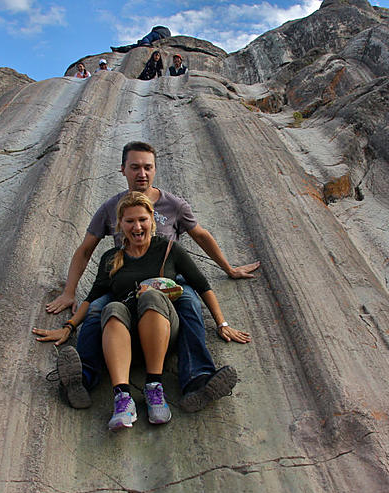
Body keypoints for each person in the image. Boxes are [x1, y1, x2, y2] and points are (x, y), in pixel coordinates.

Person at [35, 141, 259, 414]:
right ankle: (82, 378)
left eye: (147, 167)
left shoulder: (173, 205)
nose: (142, 173)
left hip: (169, 283)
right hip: (122, 281)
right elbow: (85, 250)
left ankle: (198, 379)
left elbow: (200, 237)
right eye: (135, 167)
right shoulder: (111, 208)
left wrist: (229, 269)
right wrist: (70, 293)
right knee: (96, 309)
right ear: (123, 170)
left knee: (189, 301)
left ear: (154, 170)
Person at [62, 192, 235, 430]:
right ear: (120, 225)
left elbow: (202, 286)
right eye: (130, 221)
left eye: (142, 219)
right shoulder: (111, 258)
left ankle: (155, 387)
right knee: (111, 307)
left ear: (152, 221)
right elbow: (92, 299)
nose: (137, 226)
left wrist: (222, 323)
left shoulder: (169, 250)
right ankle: (122, 399)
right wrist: (69, 326)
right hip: (125, 341)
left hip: (162, 334)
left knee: (152, 296)